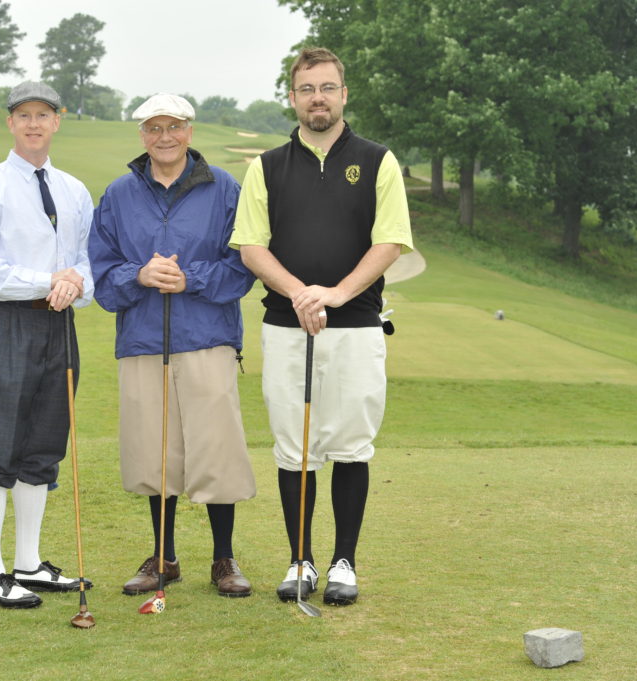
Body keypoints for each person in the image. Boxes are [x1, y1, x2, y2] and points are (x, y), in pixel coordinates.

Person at [231, 47, 414, 606]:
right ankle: (301, 560)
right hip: (287, 327)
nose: (318, 98)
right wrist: (300, 292)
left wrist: (333, 294)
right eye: (307, 89)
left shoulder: (378, 160)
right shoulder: (266, 166)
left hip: (356, 326)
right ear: (292, 97)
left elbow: (390, 242)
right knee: (295, 447)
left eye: (327, 88)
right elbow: (250, 247)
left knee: (353, 444)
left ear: (343, 94)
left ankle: (344, 563)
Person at [89, 93, 258, 598]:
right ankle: (164, 556)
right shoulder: (119, 195)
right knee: (153, 453)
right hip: (142, 339)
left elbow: (244, 264)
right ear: (141, 135)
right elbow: (100, 273)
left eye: (175, 126)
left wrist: (192, 278)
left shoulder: (225, 188)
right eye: (154, 127)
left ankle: (223, 558)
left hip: (207, 337)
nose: (164, 136)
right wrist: (137, 274)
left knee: (216, 451)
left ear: (190, 131)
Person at [0, 82, 94, 608]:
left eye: (44, 114)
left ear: (57, 120)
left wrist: (74, 282)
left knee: (43, 442)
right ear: (10, 123)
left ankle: (28, 563)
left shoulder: (74, 189)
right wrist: (48, 281)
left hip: (60, 326)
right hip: (9, 321)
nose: (34, 123)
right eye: (24, 115)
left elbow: (86, 259)